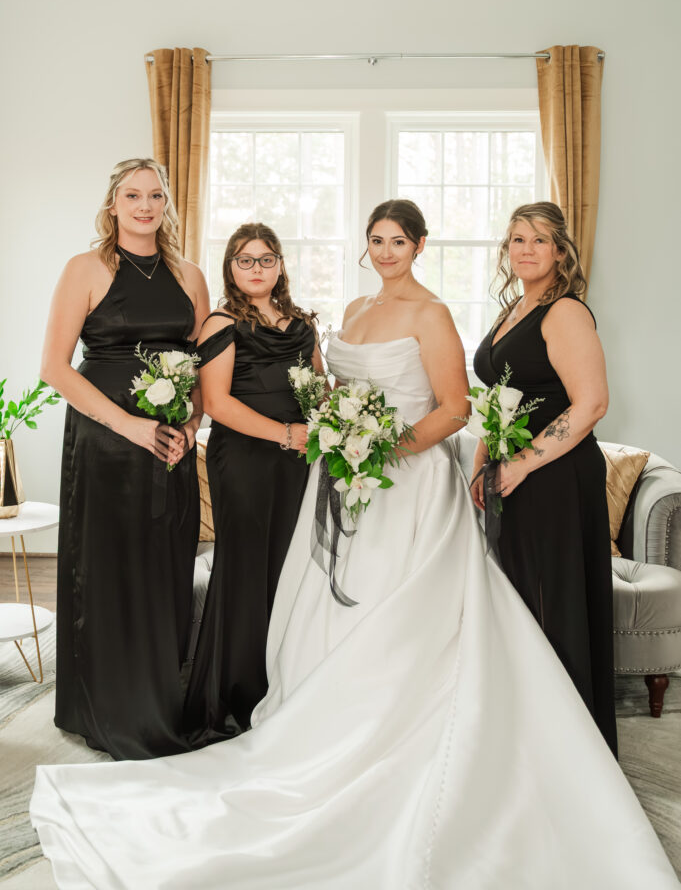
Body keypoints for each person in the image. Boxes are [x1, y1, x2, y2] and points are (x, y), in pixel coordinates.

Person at [30, 200, 677, 888]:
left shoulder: (433, 313)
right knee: (336, 609)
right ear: (366, 247)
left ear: (419, 245)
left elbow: (454, 406)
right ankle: (328, 726)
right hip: (344, 479)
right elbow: (330, 391)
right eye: (376, 239)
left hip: (408, 483)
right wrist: (343, 438)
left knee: (414, 618)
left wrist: (384, 450)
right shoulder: (356, 308)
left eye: (398, 239)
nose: (387, 249)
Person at [41, 157, 210, 760]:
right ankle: (102, 706)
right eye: (132, 195)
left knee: (166, 565)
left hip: (170, 442)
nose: (144, 206)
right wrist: (130, 427)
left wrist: (190, 421)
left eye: (155, 196)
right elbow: (55, 367)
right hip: (105, 440)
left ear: (167, 205)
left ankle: (159, 698)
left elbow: (200, 366)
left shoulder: (189, 275)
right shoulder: (84, 269)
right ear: (113, 204)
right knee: (107, 568)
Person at [472, 201, 617, 755]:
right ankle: (527, 736)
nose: (525, 250)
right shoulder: (512, 311)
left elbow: (592, 403)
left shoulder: (565, 313)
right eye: (516, 240)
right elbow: (496, 398)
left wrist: (521, 464)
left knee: (552, 602)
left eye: (538, 240)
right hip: (511, 475)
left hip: (555, 477)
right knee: (519, 604)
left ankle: (569, 749)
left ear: (560, 251)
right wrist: (485, 462)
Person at [184, 222, 322, 743]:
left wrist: (338, 422)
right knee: (245, 567)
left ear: (281, 265)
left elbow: (319, 389)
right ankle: (232, 696)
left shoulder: (303, 323)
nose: (257, 268)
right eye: (245, 260)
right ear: (231, 268)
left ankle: (280, 684)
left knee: (289, 567)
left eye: (266, 259)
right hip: (242, 457)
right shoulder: (221, 322)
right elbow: (217, 404)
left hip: (297, 459)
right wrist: (287, 435)